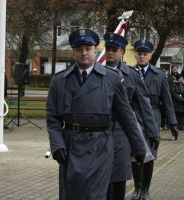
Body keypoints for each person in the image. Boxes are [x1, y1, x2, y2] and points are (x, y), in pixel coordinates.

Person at [46, 29, 146, 200]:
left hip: (100, 146)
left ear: (95, 50)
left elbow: (126, 116)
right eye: (79, 49)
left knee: (96, 195)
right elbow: (52, 117)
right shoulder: (60, 80)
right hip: (71, 146)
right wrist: (57, 144)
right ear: (73, 52)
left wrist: (139, 147)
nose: (84, 53)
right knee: (71, 194)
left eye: (88, 48)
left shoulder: (111, 79)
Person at [103, 33, 158, 200]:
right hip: (100, 132)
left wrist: (152, 131)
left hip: (122, 132)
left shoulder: (132, 76)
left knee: (119, 175)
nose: (110, 53)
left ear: (122, 51)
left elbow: (144, 105)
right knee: (101, 175)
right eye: (108, 49)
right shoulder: (97, 72)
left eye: (114, 50)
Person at [132, 40, 178, 200]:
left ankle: (145, 190)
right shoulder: (129, 73)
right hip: (135, 118)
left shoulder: (159, 75)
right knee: (135, 155)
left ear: (151, 55)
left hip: (153, 117)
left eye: (145, 53)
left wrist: (173, 122)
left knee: (150, 154)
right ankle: (137, 188)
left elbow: (167, 101)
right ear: (135, 54)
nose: (142, 56)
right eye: (139, 53)